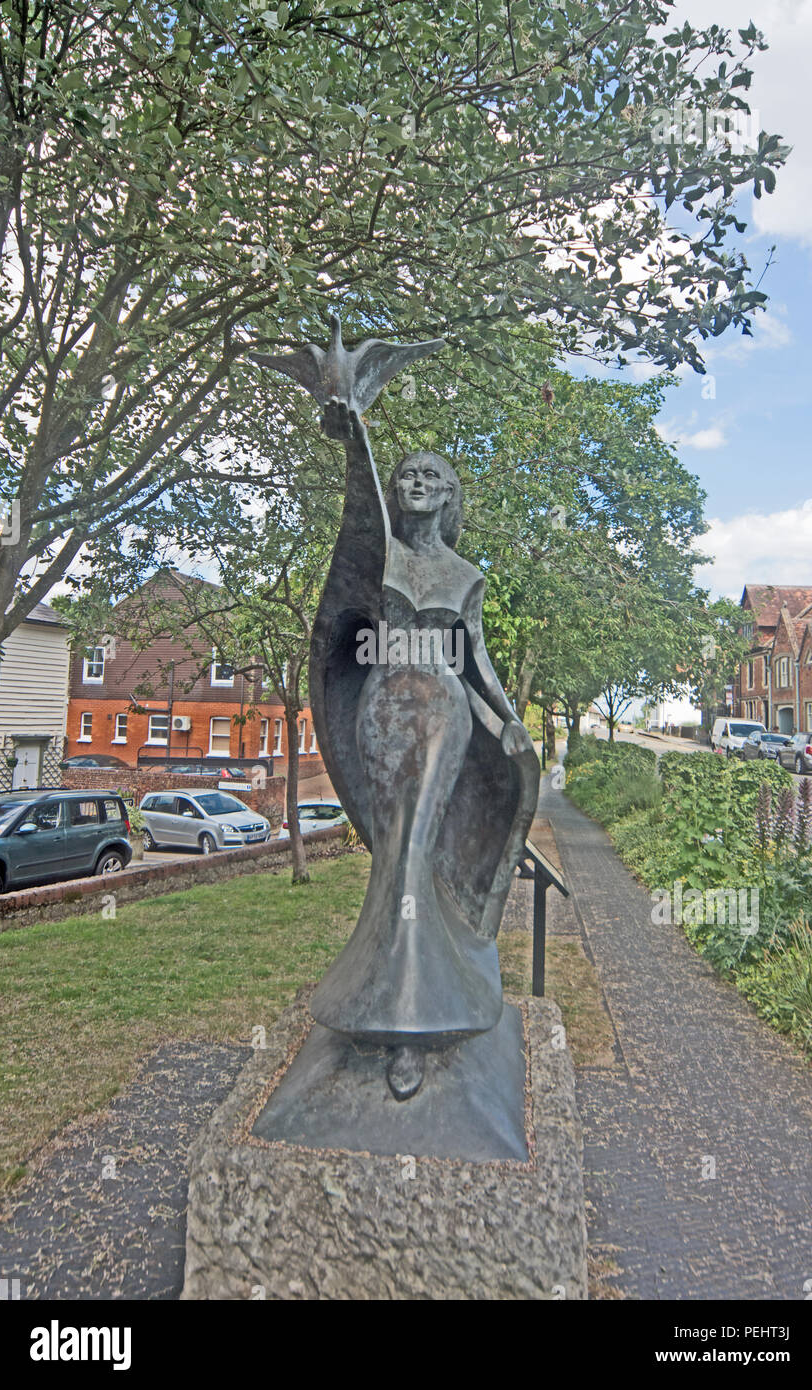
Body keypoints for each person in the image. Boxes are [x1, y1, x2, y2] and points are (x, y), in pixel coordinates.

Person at [309, 401, 538, 1099]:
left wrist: (507, 721)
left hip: (443, 712)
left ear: (447, 496)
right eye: (405, 473)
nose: (415, 482)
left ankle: (411, 1023)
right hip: (380, 707)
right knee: (390, 854)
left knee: (413, 855)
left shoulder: (466, 576)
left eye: (429, 476)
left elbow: (478, 664)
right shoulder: (377, 561)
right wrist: (353, 436)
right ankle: (377, 1002)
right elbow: (349, 563)